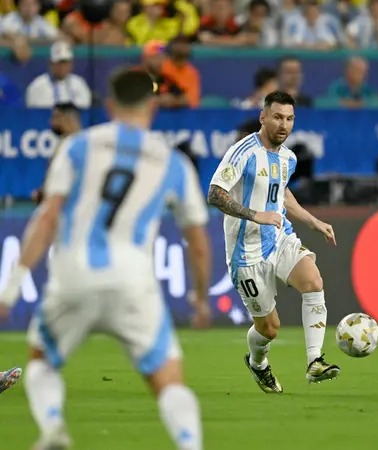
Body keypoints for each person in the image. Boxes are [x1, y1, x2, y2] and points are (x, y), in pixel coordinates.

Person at [0, 68, 212, 450]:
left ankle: (52, 427)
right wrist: (200, 298)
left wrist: (12, 286)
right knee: (168, 382)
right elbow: (197, 240)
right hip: (134, 281)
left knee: (40, 362)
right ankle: (189, 444)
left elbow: (47, 218)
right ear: (154, 106)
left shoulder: (78, 146)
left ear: (110, 105)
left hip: (73, 274)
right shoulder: (172, 162)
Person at [207, 91, 339, 394]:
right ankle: (258, 363)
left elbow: (281, 194)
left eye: (290, 118)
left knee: (313, 281)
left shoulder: (288, 158)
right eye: (277, 117)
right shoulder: (242, 152)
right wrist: (256, 215)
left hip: (278, 239)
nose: (284, 124)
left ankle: (315, 362)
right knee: (269, 328)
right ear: (263, 117)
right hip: (246, 254)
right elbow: (215, 193)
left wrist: (312, 221)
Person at [31, 102, 84, 204]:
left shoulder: (78, 149)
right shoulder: (63, 145)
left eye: (56, 117)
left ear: (68, 119)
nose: (52, 122)